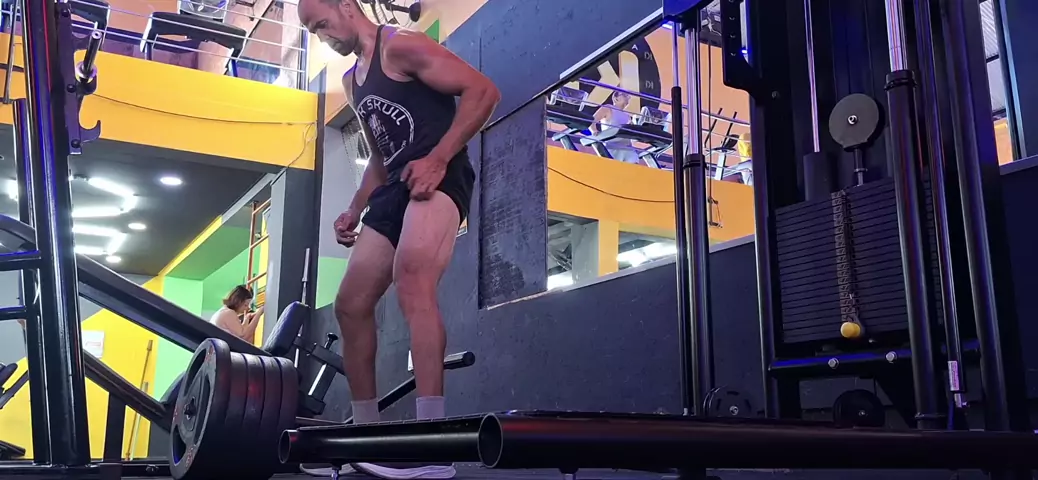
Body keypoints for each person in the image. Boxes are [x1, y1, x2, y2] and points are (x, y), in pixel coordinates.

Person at [297, 0, 500, 478]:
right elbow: (380, 155)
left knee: (412, 278)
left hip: (441, 173)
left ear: (346, 6)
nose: (321, 35)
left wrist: (439, 158)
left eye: (321, 23)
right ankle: (366, 440)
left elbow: (484, 91)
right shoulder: (352, 81)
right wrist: (355, 207)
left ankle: (433, 445)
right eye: (312, 31)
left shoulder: (400, 46)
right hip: (394, 186)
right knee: (350, 304)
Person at [592, 91, 641, 165]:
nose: (628, 98)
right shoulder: (608, 108)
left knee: (634, 168)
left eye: (628, 96)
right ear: (616, 98)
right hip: (612, 147)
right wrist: (594, 131)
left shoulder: (628, 116)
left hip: (628, 148)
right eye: (624, 95)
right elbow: (592, 120)